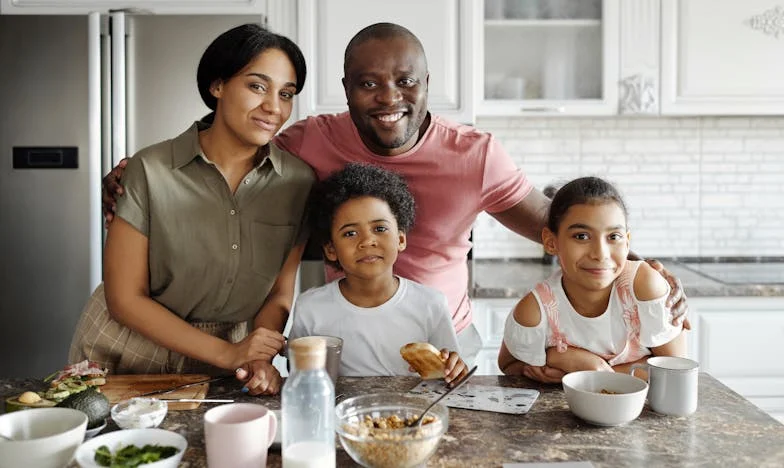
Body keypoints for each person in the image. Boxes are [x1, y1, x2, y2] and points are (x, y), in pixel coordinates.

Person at [100, 22, 688, 373]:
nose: (389, 97)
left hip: (444, 343)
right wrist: (139, 173)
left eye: (406, 81)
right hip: (348, 342)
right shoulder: (308, 142)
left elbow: (558, 225)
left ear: (427, 85)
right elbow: (234, 141)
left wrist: (637, 267)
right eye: (369, 83)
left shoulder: (476, 155)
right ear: (346, 90)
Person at [70, 23, 314, 395]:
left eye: (286, 94)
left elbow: (278, 294)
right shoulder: (149, 170)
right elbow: (124, 299)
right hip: (124, 348)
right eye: (257, 86)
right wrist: (229, 354)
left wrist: (256, 356)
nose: (274, 107)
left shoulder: (298, 183)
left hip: (228, 358)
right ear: (217, 86)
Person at [289, 163, 468, 384]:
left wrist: (454, 368)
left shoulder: (431, 303)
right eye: (350, 233)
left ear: (400, 239)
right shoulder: (310, 308)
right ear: (331, 249)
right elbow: (298, 375)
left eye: (380, 229)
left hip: (414, 406)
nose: (367, 241)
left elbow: (448, 374)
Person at [498, 177, 686, 382]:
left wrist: (586, 368)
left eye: (613, 237)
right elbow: (509, 365)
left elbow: (675, 372)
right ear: (551, 242)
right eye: (582, 236)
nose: (600, 254)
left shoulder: (644, 286)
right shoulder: (535, 310)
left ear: (627, 242)